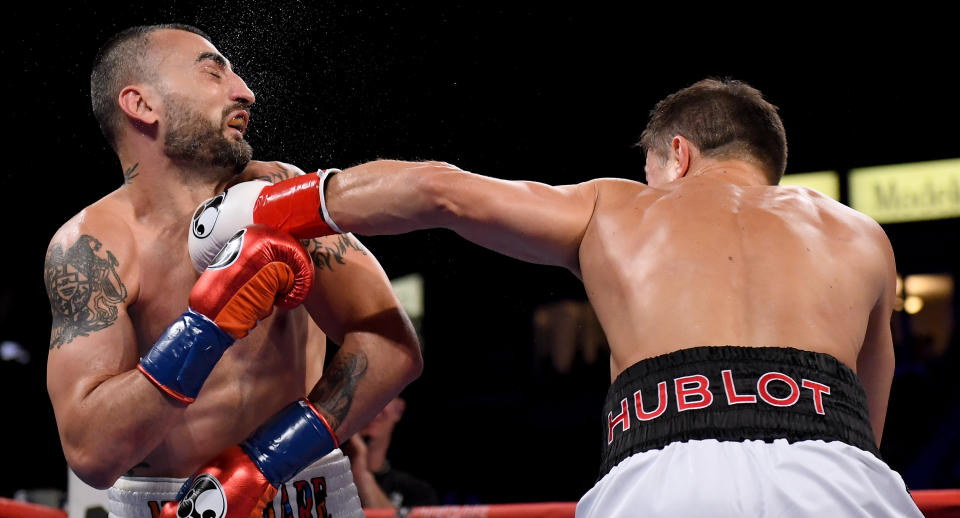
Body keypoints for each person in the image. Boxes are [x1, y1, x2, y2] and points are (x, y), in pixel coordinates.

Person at [298, 78, 922, 516]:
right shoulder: (862, 236)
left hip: (666, 484)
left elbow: (439, 190)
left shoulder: (616, 206)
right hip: (837, 481)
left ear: (677, 154)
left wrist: (277, 205)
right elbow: (862, 430)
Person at [44, 24, 421, 518]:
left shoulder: (281, 195)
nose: (245, 92)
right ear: (141, 105)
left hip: (308, 493)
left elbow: (393, 346)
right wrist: (206, 327)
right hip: (164, 506)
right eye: (212, 73)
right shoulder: (92, 248)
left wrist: (265, 461)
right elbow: (92, 453)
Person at [343, 397, 439, 510]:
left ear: (399, 410)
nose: (373, 407)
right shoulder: (323, 476)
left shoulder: (418, 492)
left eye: (385, 394)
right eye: (368, 393)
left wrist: (361, 474)